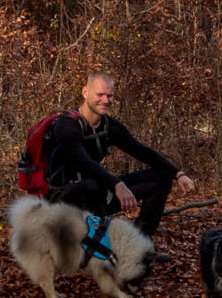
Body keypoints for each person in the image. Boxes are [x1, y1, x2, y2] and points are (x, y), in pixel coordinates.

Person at [46, 73, 195, 238]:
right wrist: (117, 185)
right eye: (100, 95)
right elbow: (83, 162)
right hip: (64, 199)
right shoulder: (66, 125)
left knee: (160, 178)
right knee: (92, 186)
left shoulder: (109, 127)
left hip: (98, 192)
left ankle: (139, 242)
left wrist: (178, 174)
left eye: (110, 96)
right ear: (85, 92)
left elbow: (141, 151)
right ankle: (99, 246)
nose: (106, 100)